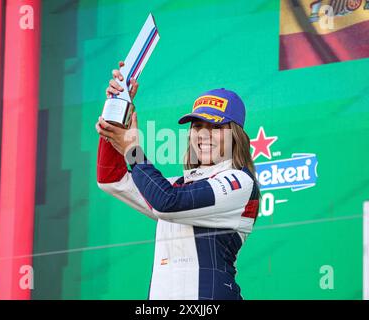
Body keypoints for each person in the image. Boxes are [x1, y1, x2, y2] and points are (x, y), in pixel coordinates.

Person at [95, 61, 261, 300]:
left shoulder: (240, 182)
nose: (203, 134)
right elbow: (111, 179)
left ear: (235, 135)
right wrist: (117, 112)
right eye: (197, 127)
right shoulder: (176, 185)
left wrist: (133, 150)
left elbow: (167, 202)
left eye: (215, 126)